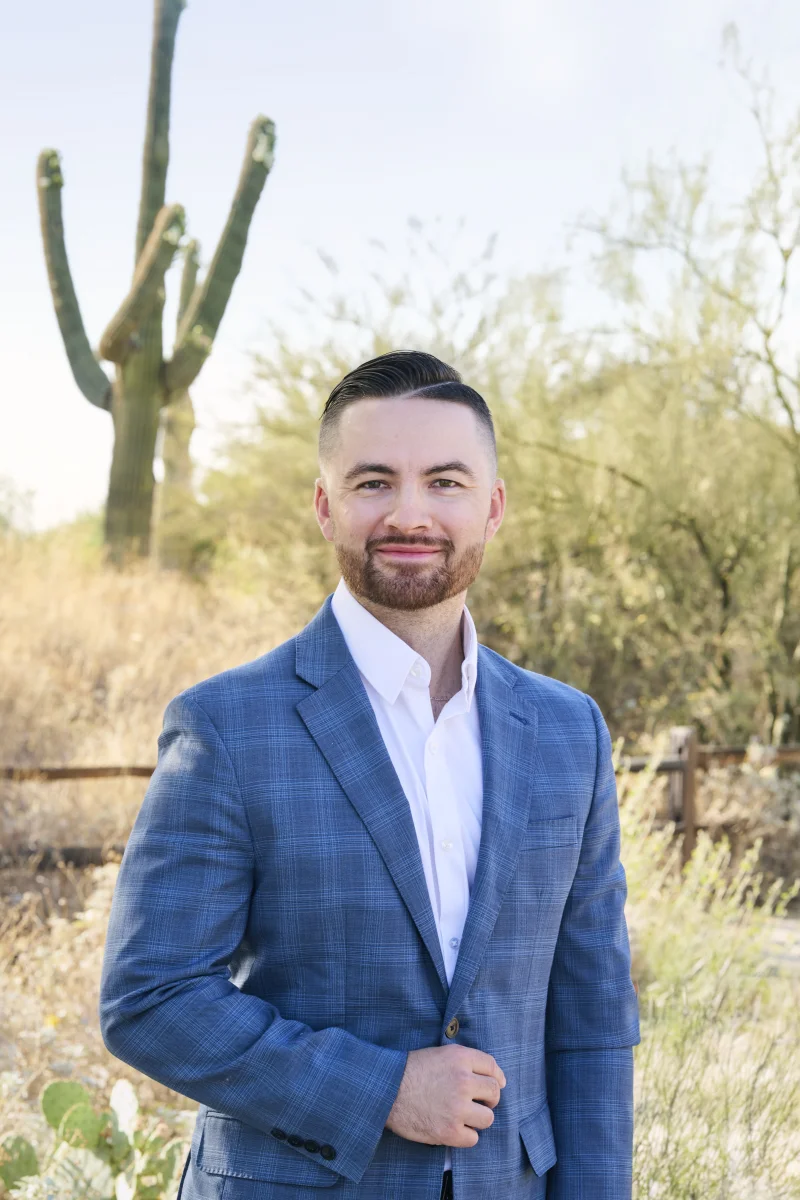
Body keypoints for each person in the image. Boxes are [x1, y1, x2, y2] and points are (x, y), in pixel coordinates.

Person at [100, 350, 640, 1200]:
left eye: (446, 481)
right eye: (374, 482)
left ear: (493, 508)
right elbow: (150, 998)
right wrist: (382, 1088)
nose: (410, 513)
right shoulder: (228, 726)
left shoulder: (568, 730)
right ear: (325, 506)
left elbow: (594, 1017)